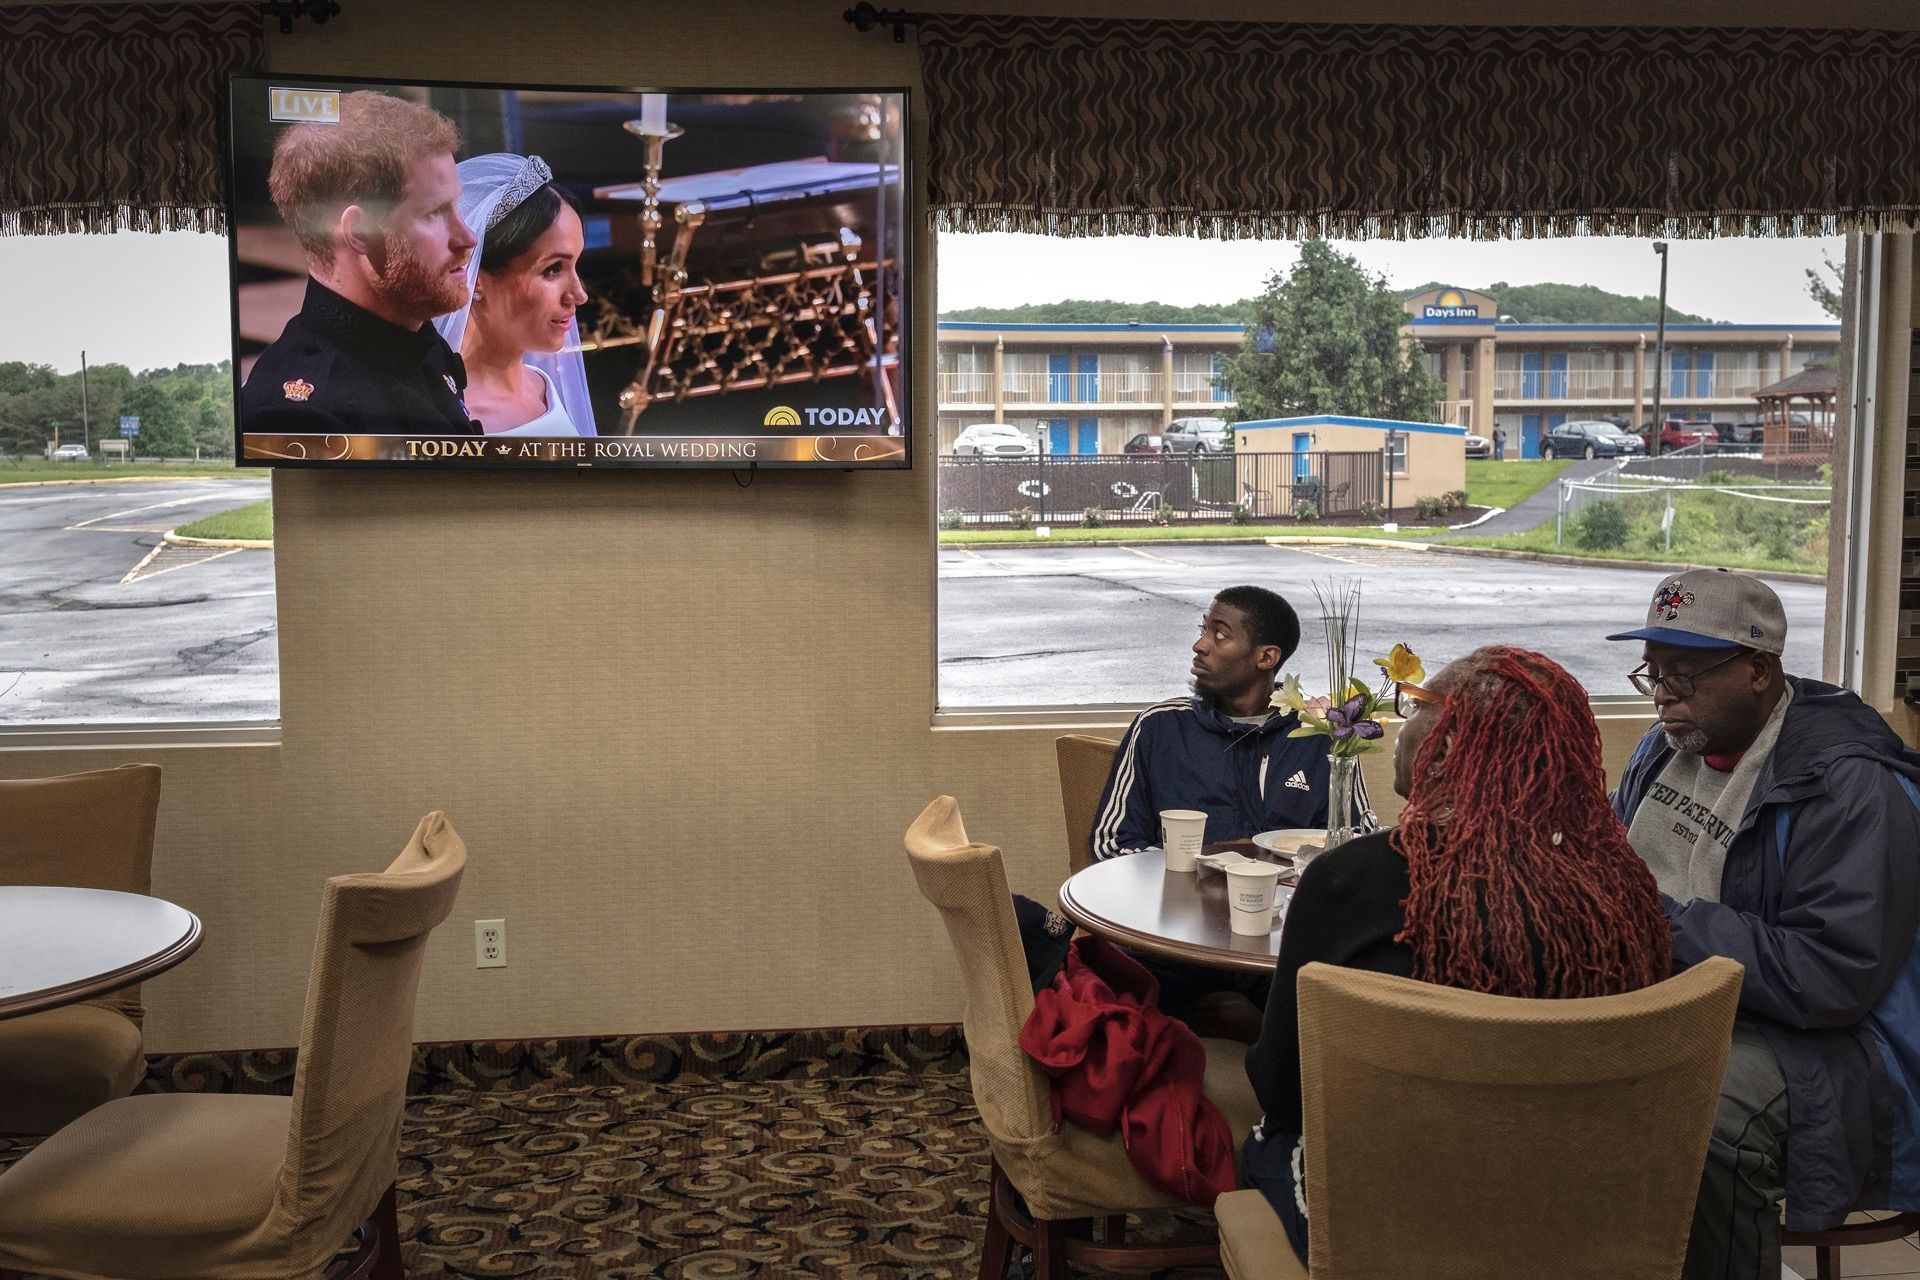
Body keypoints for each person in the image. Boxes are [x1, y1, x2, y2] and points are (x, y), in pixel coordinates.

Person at [1242, 645, 1672, 1263]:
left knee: (1264, 1138)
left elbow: (1282, 1092)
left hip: (1396, 1221)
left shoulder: (1352, 880)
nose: (1400, 721)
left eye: (1415, 707)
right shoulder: (1620, 887)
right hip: (1581, 1209)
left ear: (1445, 747)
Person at [1607, 568, 1920, 1280]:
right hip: (1701, 995)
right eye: (1652, 672)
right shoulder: (1667, 748)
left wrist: (1652, 924)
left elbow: (1829, 977)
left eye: (1684, 673)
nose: (1661, 694)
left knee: (1699, 1112)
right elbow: (1614, 860)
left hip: (1843, 1047)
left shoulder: (1849, 785)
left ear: (1758, 669)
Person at [1089, 585, 1341, 1019]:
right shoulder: (1161, 729)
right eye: (1203, 628)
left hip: (1278, 943)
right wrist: (1200, 876)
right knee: (1106, 1002)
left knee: (1328, 1011)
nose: (1200, 644)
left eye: (1220, 634)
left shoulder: (1319, 738)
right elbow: (1110, 845)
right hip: (1173, 940)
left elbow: (1352, 842)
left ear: (1267, 657)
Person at [240, 91, 480, 437]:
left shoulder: (415, 335)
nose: (467, 237)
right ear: (360, 232)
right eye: (434, 213)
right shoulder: (304, 416)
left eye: (457, 207)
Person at [432, 154, 596, 436]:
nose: (579, 295)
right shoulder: (447, 417)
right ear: (477, 276)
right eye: (553, 270)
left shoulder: (545, 387)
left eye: (575, 265)